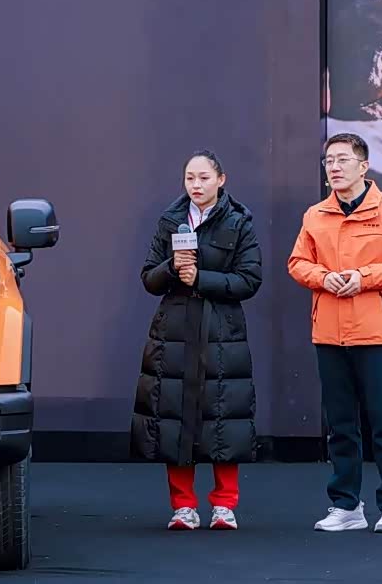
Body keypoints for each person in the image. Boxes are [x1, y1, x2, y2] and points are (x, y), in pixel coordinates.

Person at [287, 132, 382, 534]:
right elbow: (297, 263)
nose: (334, 167)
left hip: (378, 332)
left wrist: (364, 277)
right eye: (329, 160)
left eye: (342, 160)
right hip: (330, 334)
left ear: (363, 166)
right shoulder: (315, 215)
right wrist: (323, 277)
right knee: (341, 425)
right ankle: (346, 505)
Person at [131, 150, 263, 531]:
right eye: (190, 178)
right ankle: (183, 506)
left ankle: (224, 506)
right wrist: (173, 268)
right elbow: (149, 277)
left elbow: (249, 280)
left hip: (222, 330)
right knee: (175, 416)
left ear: (221, 180)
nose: (196, 185)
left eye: (204, 178)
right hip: (174, 330)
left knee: (225, 415)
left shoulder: (239, 222)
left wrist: (201, 279)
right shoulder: (170, 219)